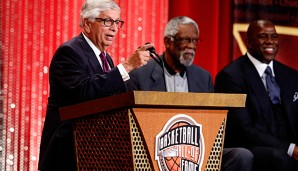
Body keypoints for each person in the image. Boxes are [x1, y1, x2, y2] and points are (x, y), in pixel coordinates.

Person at [127, 16, 253, 171]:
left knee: (241, 156)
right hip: (156, 151)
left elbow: (211, 123)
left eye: (195, 41)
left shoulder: (203, 77)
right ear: (168, 41)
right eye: (185, 40)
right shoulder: (141, 75)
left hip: (196, 151)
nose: (191, 46)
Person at [38, 0, 153, 170]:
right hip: (68, 152)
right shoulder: (70, 52)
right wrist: (127, 66)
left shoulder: (105, 58)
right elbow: (84, 92)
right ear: (87, 24)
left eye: (117, 22)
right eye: (107, 21)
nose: (114, 28)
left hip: (95, 153)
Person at [214, 19, 298, 171]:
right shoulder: (231, 76)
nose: (269, 42)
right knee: (280, 159)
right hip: (253, 148)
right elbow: (243, 130)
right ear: (249, 42)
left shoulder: (291, 76)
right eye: (263, 37)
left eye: (273, 37)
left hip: (289, 146)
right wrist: (290, 148)